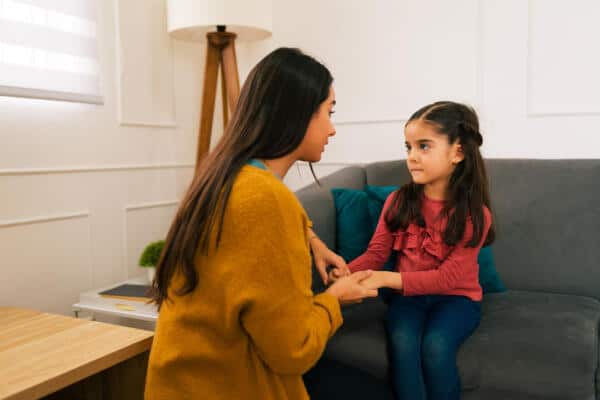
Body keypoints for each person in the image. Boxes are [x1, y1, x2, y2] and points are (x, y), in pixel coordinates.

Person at [144, 47, 378, 400]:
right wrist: (335, 300)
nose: (331, 129)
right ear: (299, 114)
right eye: (328, 112)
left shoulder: (223, 175)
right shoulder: (266, 199)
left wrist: (312, 241)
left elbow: (250, 230)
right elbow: (294, 351)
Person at [332, 101, 495, 399]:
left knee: (436, 345)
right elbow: (376, 254)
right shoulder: (398, 201)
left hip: (457, 299)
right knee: (404, 342)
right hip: (409, 300)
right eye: (408, 147)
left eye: (424, 147)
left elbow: (447, 279)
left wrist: (384, 279)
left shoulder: (475, 214)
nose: (412, 158)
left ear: (457, 152)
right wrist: (346, 271)